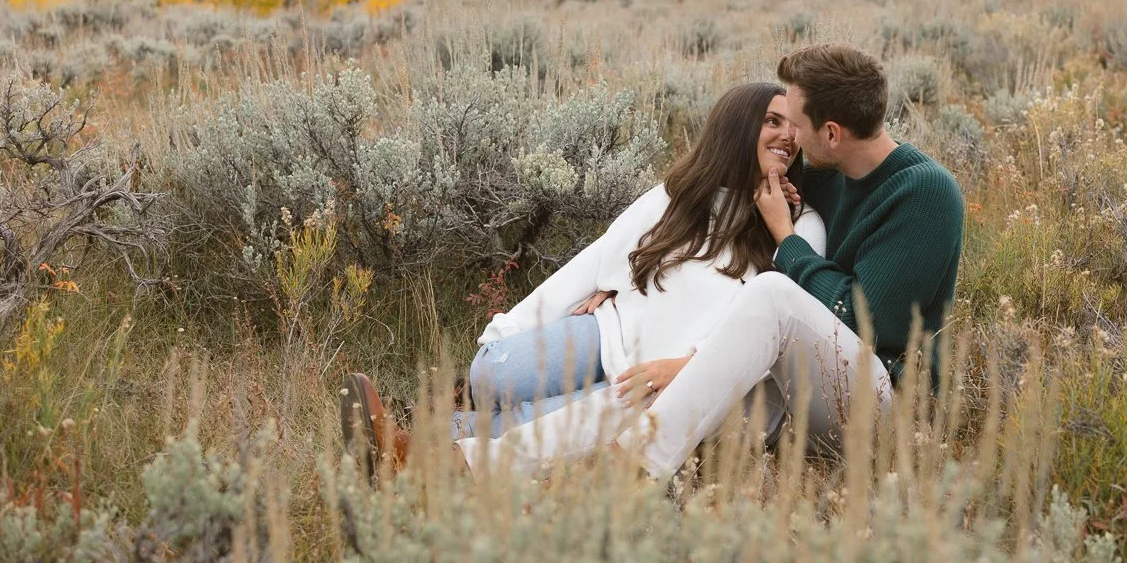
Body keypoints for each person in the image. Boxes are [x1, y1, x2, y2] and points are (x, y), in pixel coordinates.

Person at [340, 81, 823, 478]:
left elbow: (772, 332)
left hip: (664, 376)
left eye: (792, 126)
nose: (787, 136)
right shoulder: (679, 197)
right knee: (492, 372)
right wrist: (516, 325)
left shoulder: (802, 228)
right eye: (772, 121)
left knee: (550, 417)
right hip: (612, 329)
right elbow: (595, 262)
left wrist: (689, 365)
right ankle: (435, 429)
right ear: (737, 129)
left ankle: (420, 452)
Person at [618, 43, 965, 480]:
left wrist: (787, 236)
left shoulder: (925, 194)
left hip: (886, 406)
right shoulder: (828, 174)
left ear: (832, 133)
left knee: (772, 295)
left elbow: (859, 320)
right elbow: (730, 193)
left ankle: (637, 466)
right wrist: (618, 278)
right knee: (656, 398)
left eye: (797, 126)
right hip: (801, 385)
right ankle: (554, 453)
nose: (791, 139)